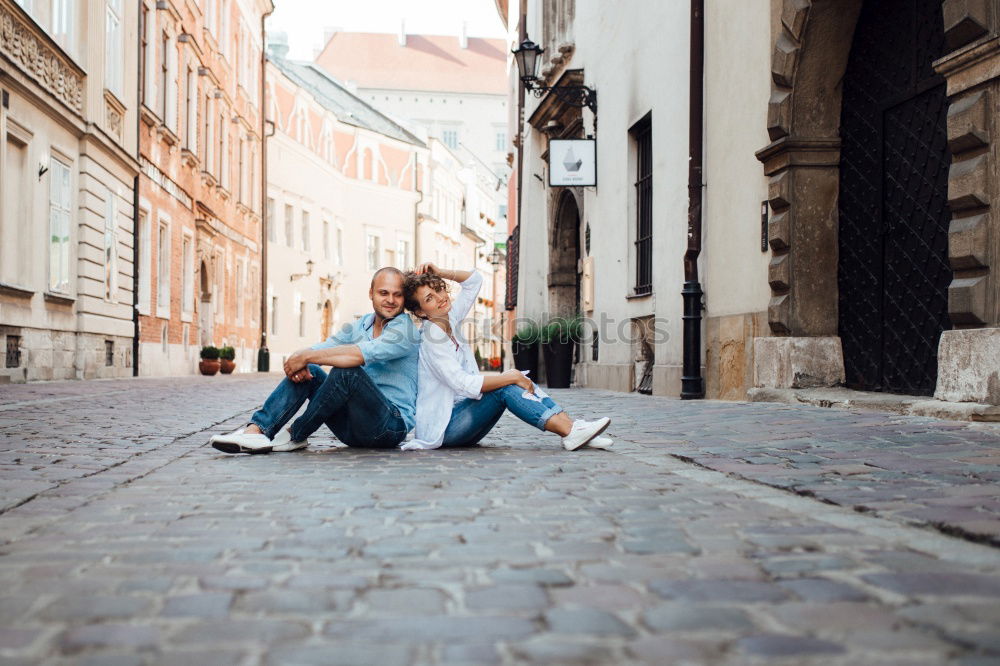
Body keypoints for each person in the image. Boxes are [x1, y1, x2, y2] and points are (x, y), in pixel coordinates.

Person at [400, 263, 612, 451]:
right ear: (420, 312)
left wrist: (441, 272)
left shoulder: (450, 318)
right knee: (507, 383)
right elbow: (462, 384)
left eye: (438, 290)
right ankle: (569, 431)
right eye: (429, 298)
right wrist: (511, 377)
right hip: (445, 429)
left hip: (463, 421)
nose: (439, 298)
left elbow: (474, 281)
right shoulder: (431, 338)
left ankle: (572, 428)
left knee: (514, 377)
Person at [211, 267, 419, 454]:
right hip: (351, 430)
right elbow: (329, 345)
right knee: (311, 370)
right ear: (371, 294)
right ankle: (256, 431)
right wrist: (300, 358)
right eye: (384, 293)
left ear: (403, 298)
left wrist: (306, 356)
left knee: (346, 371)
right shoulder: (361, 325)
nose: (390, 300)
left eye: (397, 295)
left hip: (390, 427)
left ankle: (296, 434)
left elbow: (360, 353)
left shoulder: (406, 330)